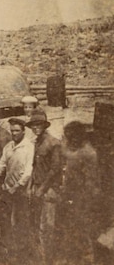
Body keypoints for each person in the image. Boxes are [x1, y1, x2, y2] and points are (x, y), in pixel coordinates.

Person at [55, 121, 102, 264]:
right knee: (70, 230)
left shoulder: (88, 153)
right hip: (70, 196)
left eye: (71, 136)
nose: (69, 139)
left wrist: (80, 200)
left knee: (83, 231)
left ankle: (87, 260)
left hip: (82, 199)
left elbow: (91, 182)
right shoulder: (71, 149)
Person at [0, 118, 34, 258]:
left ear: (23, 132)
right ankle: (5, 245)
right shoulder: (8, 146)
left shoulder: (29, 147)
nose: (14, 133)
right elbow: (1, 164)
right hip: (8, 187)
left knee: (20, 219)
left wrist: (18, 185)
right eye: (12, 130)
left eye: (17, 131)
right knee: (4, 217)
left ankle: (22, 250)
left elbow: (28, 171)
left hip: (22, 189)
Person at [26, 110, 62, 264]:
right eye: (33, 125)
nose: (36, 128)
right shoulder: (37, 142)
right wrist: (30, 187)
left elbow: (55, 169)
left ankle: (49, 260)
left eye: (39, 125)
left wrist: (42, 189)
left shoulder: (54, 143)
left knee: (47, 227)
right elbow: (34, 167)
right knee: (36, 224)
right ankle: (40, 258)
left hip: (49, 191)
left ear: (44, 125)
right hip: (37, 188)